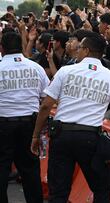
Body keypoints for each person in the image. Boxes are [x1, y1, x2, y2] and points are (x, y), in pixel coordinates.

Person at [30, 32, 110, 202]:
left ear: (87, 51)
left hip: (61, 136)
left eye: (80, 47)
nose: (78, 51)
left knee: (58, 191)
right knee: (102, 189)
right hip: (90, 139)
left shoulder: (66, 71)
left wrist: (36, 135)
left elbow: (46, 105)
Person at [0, 32, 49, 203]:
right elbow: (46, 97)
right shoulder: (36, 68)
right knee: (30, 170)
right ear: (21, 46)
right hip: (30, 125)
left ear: (1, 48)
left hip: (3, 124)